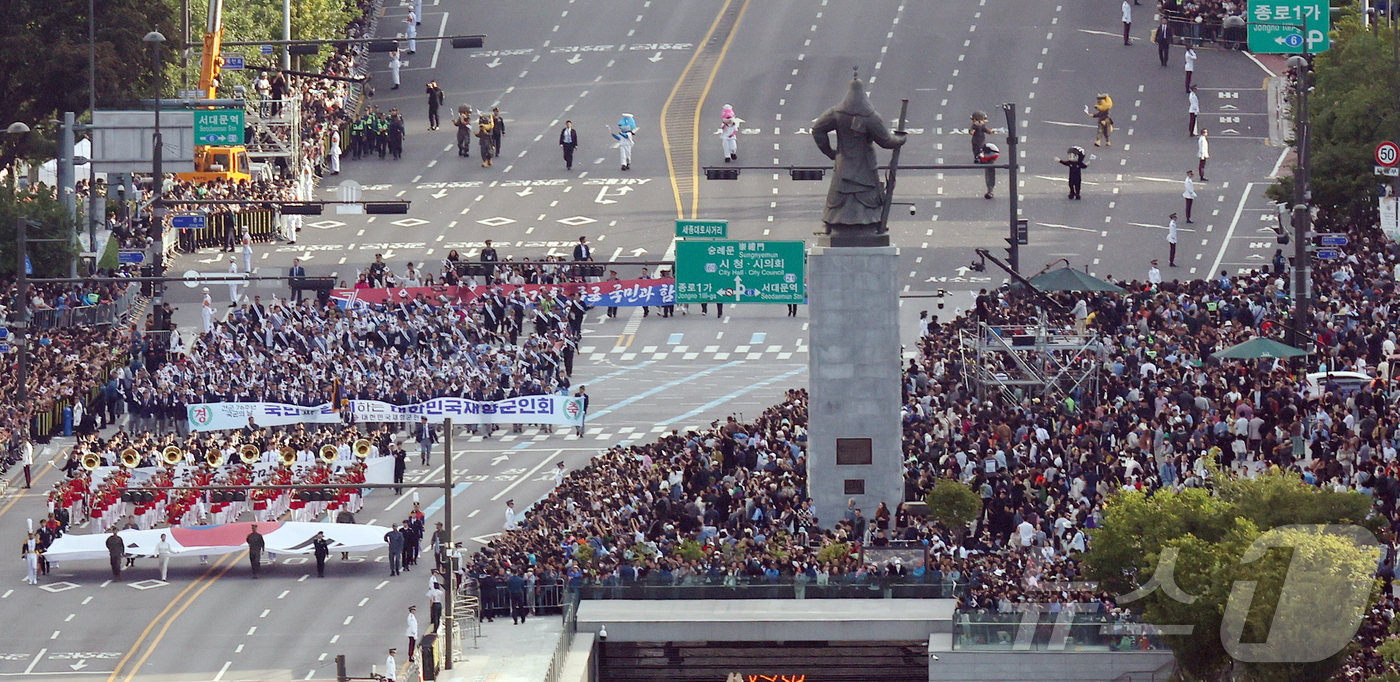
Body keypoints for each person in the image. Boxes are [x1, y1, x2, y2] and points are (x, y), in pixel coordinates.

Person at [969, 111, 996, 200]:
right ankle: (976, 157)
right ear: (973, 120)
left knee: (982, 148)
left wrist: (991, 132)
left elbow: (987, 131)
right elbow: (971, 131)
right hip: (976, 140)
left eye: (981, 119)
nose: (979, 121)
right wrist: (972, 131)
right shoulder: (974, 126)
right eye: (977, 120)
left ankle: (980, 156)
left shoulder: (983, 126)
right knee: (976, 149)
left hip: (982, 140)